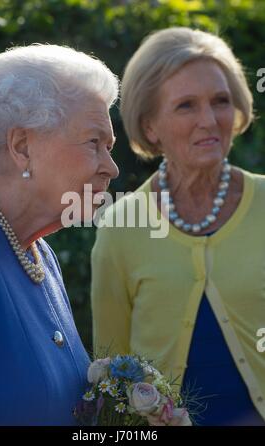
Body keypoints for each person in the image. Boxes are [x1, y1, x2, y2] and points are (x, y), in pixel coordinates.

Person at [91, 27, 265, 426]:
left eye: (220, 101)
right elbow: (111, 373)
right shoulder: (120, 225)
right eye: (186, 105)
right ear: (151, 127)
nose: (209, 120)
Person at [0, 43, 119, 425]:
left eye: (110, 147)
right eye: (94, 143)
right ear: (22, 147)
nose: (112, 168)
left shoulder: (39, 254)